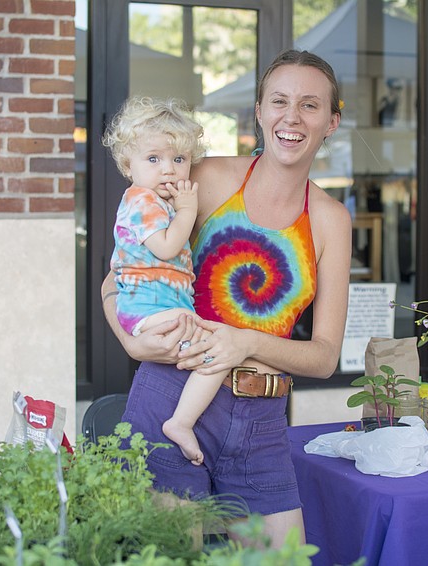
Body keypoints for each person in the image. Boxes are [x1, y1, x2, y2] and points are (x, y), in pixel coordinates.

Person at [102, 50, 351, 547]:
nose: (292, 117)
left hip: (260, 424)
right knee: (172, 558)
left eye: (310, 105)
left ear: (331, 122)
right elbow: (122, 273)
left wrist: (244, 343)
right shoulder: (207, 179)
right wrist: (129, 341)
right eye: (279, 101)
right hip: (168, 394)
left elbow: (324, 357)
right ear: (259, 111)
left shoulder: (330, 220)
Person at [103, 96, 226, 466]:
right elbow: (168, 246)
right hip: (146, 307)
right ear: (129, 165)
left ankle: (182, 419)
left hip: (156, 305)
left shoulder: (157, 202)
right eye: (153, 159)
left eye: (178, 159)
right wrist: (189, 210)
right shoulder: (141, 201)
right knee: (218, 351)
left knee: (210, 349)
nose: (168, 170)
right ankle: (181, 422)